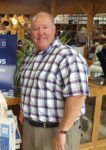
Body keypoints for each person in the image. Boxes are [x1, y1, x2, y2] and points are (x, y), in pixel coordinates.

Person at [19, 12, 89, 150]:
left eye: (45, 27)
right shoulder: (30, 59)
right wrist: (23, 110)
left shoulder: (68, 57)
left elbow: (77, 96)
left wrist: (62, 131)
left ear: (54, 29)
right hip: (30, 130)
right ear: (30, 33)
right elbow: (31, 88)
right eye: (35, 29)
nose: (40, 33)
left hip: (56, 131)